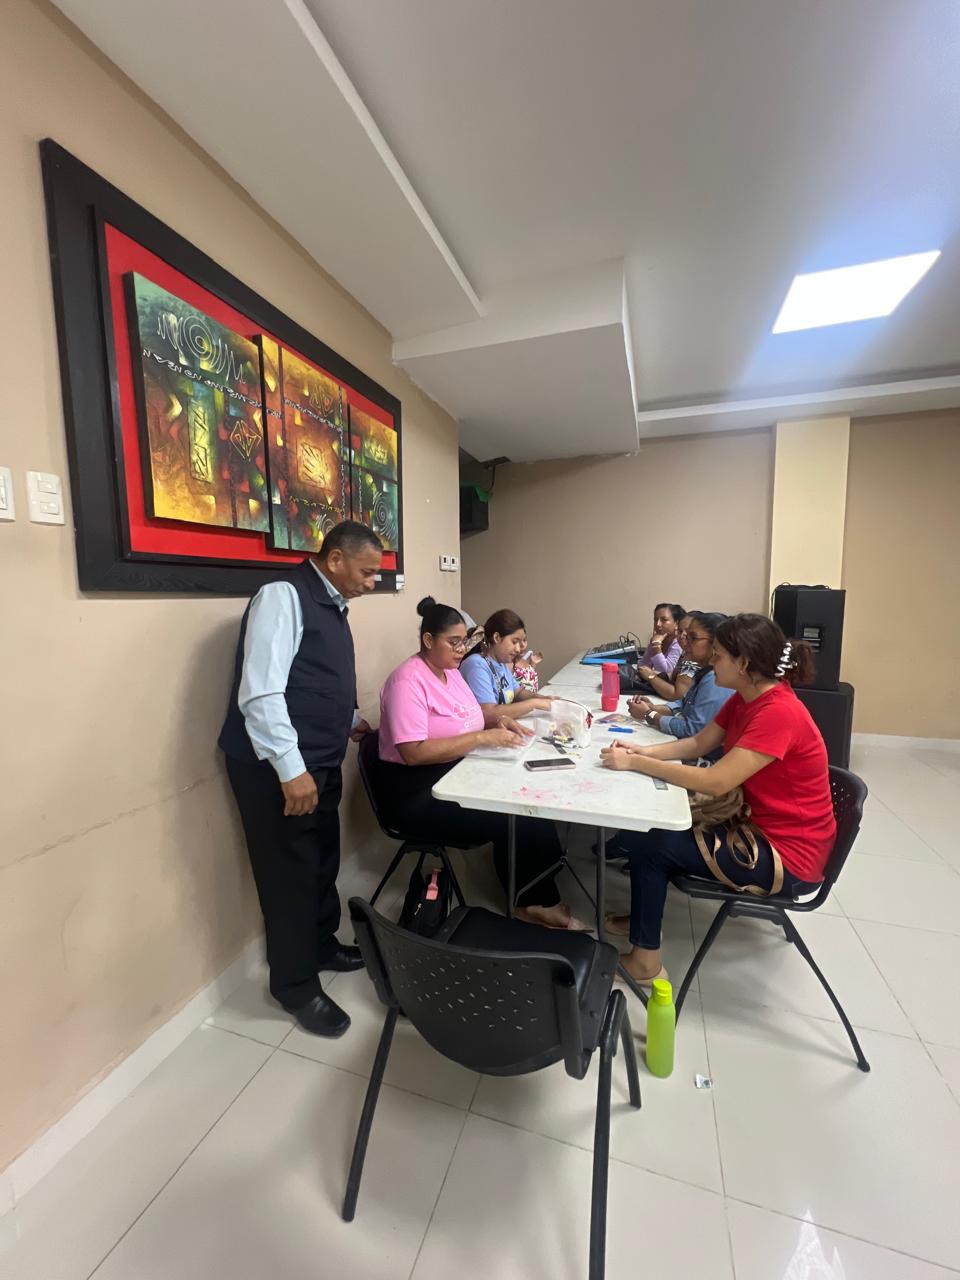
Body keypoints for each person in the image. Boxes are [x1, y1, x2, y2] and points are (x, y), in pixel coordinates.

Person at [600, 613, 833, 986]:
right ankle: (646, 917)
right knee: (654, 830)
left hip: (787, 855)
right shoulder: (746, 697)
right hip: (759, 826)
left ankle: (645, 963)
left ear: (744, 663)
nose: (711, 660)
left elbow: (715, 780)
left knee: (653, 845)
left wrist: (637, 763)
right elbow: (698, 743)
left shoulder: (778, 712)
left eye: (719, 655)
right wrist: (640, 751)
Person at [218, 521, 384, 1038]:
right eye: (367, 572)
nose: (372, 582)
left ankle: (322, 944)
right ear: (335, 559)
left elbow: (312, 679)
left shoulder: (331, 604)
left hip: (319, 760)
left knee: (321, 860)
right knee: (288, 875)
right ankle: (294, 986)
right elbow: (262, 693)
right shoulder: (282, 596)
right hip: (277, 768)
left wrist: (348, 720)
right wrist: (291, 770)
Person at [375, 598, 585, 930]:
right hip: (418, 791)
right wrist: (480, 739)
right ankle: (531, 902)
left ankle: (541, 882)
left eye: (465, 641)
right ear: (428, 640)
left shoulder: (452, 673)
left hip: (455, 769)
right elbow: (413, 752)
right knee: (513, 812)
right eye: (454, 642)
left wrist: (499, 723)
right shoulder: (407, 681)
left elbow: (474, 716)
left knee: (529, 796)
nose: (462, 650)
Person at [628, 612, 734, 739]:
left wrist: (649, 714)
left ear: (715, 643)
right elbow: (684, 703)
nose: (685, 642)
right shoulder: (704, 671)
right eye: (684, 635)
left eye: (693, 638)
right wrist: (654, 708)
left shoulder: (715, 679)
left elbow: (692, 731)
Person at [459, 609, 553, 721]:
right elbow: (488, 713)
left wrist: (544, 699)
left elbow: (518, 693)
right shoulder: (476, 665)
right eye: (514, 642)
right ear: (497, 638)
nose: (518, 649)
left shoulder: (501, 662)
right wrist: (534, 704)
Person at [636, 613, 699, 701]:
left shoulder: (694, 660)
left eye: (689, 632)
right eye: (680, 631)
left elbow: (677, 696)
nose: (682, 636)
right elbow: (673, 676)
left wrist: (651, 676)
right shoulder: (686, 654)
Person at [636, 602, 686, 677]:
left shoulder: (679, 642)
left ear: (676, 623)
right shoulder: (656, 639)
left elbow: (664, 673)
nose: (658, 624)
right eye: (656, 620)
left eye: (664, 620)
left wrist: (656, 646)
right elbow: (642, 666)